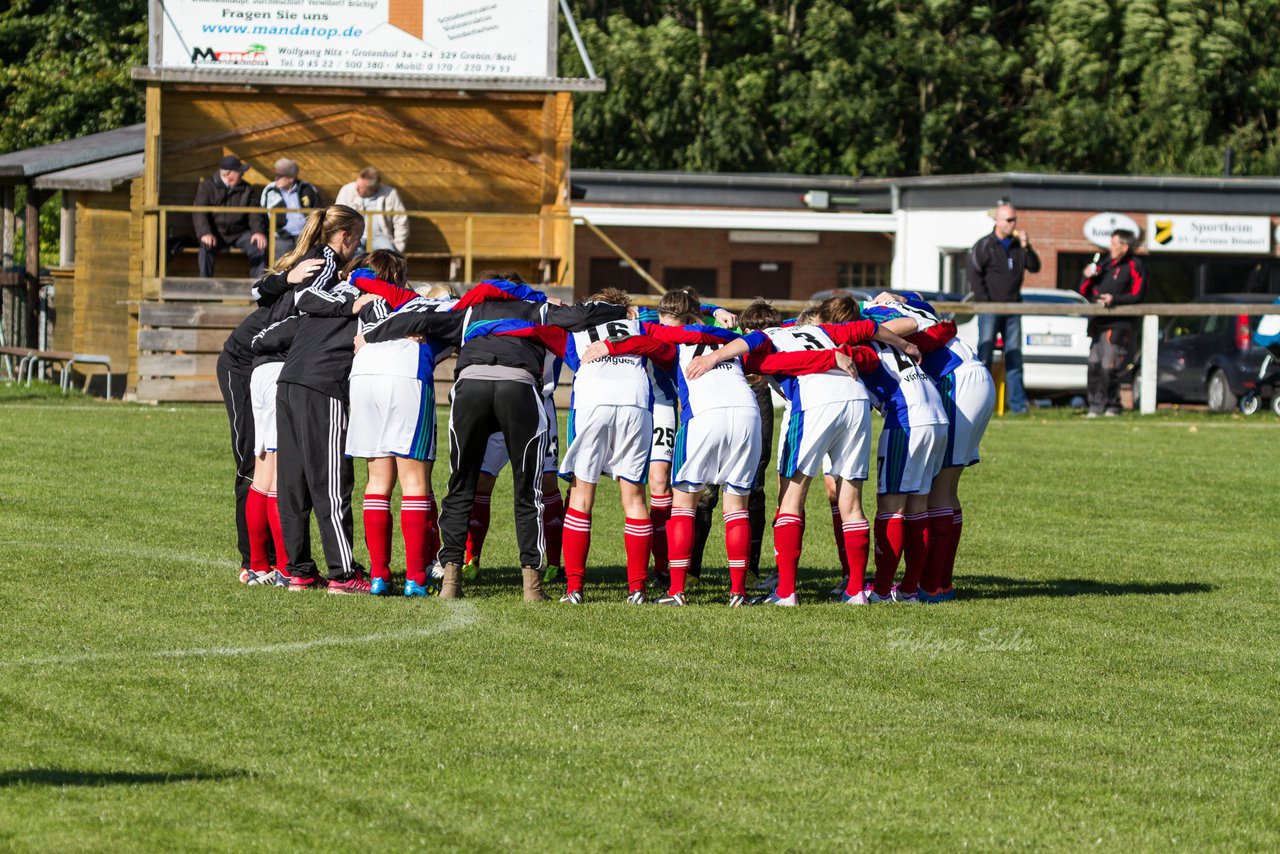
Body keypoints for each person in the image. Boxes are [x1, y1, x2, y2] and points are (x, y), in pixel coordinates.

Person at [362, 279, 626, 601]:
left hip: (470, 386)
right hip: (519, 387)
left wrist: (368, 337)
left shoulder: (470, 312)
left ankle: (451, 583)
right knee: (528, 491)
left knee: (461, 486)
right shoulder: (537, 308)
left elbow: (418, 320)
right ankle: (532, 588)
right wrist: (618, 308)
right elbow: (586, 315)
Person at [259, 205, 372, 594]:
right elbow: (307, 297)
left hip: (289, 382)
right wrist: (353, 306)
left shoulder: (327, 278)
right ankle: (343, 573)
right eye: (357, 238)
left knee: (293, 483)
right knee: (331, 480)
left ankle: (298, 570)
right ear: (344, 237)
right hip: (322, 386)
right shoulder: (338, 274)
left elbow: (294, 308)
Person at [345, 253, 456, 596]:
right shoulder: (422, 303)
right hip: (406, 376)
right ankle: (416, 579)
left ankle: (379, 576)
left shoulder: (363, 300)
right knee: (414, 483)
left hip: (363, 376)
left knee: (377, 481)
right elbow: (453, 315)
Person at [215, 257, 323, 583]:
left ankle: (265, 563)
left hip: (262, 370)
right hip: (244, 369)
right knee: (258, 468)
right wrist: (288, 277)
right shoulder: (290, 295)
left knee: (264, 470)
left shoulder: (287, 295)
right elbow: (258, 287)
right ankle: (263, 563)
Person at [967, 202, 1040, 414]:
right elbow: (974, 273)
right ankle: (980, 404)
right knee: (985, 355)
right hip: (989, 308)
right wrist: (985, 301)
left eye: (1014, 219)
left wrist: (1027, 246)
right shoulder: (985, 245)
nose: (1013, 224)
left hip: (1013, 308)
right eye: (1008, 220)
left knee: (1015, 356)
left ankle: (1018, 406)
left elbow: (1035, 267)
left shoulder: (1018, 245)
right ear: (997, 221)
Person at [1080, 229, 1146, 417]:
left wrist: (1114, 299)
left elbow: (1138, 295)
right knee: (1093, 363)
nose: (1110, 247)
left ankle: (1112, 406)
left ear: (1124, 247)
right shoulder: (1104, 264)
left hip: (1119, 323)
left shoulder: (1135, 265)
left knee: (1109, 364)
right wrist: (1086, 276)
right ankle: (1095, 406)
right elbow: (1085, 290)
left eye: (1114, 243)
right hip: (1098, 322)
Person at [194, 154, 268, 278]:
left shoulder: (247, 189)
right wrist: (205, 233)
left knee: (258, 246)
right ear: (228, 174)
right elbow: (199, 211)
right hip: (215, 233)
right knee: (205, 248)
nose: (242, 174)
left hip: (239, 233)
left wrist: (258, 231)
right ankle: (205, 292)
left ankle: (258, 292)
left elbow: (254, 212)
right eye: (239, 172)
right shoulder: (207, 186)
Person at [261, 158, 323, 261]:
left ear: (291, 178)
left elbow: (319, 210)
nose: (276, 178)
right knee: (281, 257)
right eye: (275, 175)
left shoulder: (307, 188)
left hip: (306, 235)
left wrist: (313, 232)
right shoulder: (270, 190)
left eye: (279, 176)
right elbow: (263, 214)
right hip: (281, 235)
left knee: (312, 255)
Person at [335, 167, 409, 253]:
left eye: (361, 187)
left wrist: (398, 247)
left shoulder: (390, 194)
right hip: (353, 235)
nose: (356, 188)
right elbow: (338, 217)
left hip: (380, 236)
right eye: (357, 184)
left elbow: (401, 221)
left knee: (389, 257)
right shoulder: (347, 190)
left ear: (373, 189)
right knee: (350, 257)